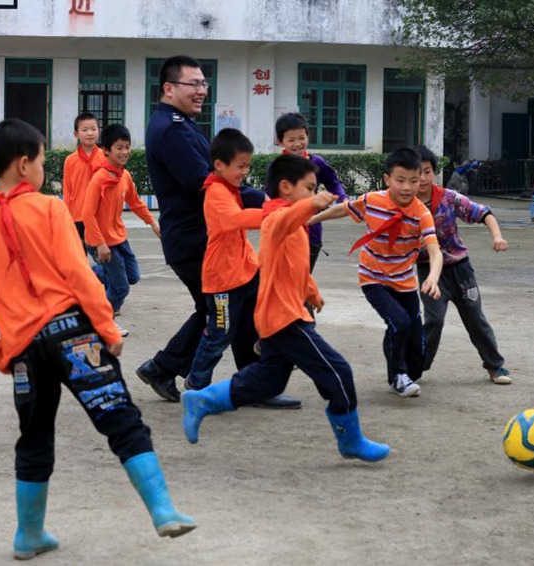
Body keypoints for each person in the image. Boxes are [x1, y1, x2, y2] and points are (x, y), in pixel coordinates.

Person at [0, 118, 195, 560]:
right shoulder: (49, 209)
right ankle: (162, 509)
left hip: (25, 350)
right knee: (121, 420)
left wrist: (0, 355)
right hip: (74, 335)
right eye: (43, 158)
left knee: (33, 438)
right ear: (24, 163)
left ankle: (28, 535)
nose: (44, 167)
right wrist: (106, 327)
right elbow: (79, 273)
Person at [182, 154, 389, 461]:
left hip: (285, 315)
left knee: (268, 381)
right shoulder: (276, 219)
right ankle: (351, 440)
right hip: (284, 318)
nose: (313, 193)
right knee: (338, 371)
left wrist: (311, 290)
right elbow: (283, 220)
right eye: (309, 187)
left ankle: (203, 401)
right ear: (286, 188)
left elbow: (293, 266)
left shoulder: (294, 224)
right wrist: (312, 204)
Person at [137, 55, 298, 408]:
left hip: (206, 238)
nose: (201, 91)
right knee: (228, 308)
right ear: (168, 88)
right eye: (193, 84)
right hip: (196, 240)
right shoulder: (170, 130)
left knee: (227, 307)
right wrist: (272, 203)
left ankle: (168, 368)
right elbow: (209, 183)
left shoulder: (182, 124)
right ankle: (192, 375)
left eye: (203, 84)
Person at [310, 147, 442, 398]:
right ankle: (397, 377)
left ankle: (408, 371)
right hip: (374, 278)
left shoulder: (421, 213)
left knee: (416, 341)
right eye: (400, 180)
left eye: (414, 181)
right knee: (399, 323)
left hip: (404, 282)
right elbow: (343, 209)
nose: (407, 187)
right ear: (387, 179)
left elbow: (435, 250)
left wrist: (433, 277)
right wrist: (309, 220)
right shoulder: (373, 200)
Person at [413, 146, 512, 385]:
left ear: (434, 173)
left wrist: (497, 236)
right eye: (417, 173)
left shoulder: (448, 197)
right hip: (429, 273)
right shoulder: (405, 205)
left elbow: (483, 212)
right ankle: (415, 368)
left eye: (427, 171)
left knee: (475, 319)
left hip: (460, 270)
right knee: (433, 320)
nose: (423, 178)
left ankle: (495, 366)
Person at [184, 128, 265, 392]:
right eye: (241, 166)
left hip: (244, 271)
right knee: (220, 334)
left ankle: (267, 343)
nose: (245, 171)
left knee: (266, 303)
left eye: (247, 166)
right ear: (219, 165)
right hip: (222, 282)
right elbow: (235, 220)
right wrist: (273, 215)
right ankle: (196, 383)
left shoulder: (228, 187)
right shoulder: (216, 192)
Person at [81, 124, 160, 338]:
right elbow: (87, 214)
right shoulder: (99, 179)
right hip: (100, 241)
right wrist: (100, 243)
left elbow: (135, 203)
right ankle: (103, 321)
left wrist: (152, 222)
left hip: (119, 238)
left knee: (132, 276)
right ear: (106, 150)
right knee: (120, 288)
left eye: (127, 147)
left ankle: (86, 277)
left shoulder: (124, 176)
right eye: (119, 148)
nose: (124, 152)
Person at [275, 112, 348, 271]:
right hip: (285, 234)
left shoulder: (316, 163)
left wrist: (343, 200)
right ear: (280, 142)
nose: (298, 144)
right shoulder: (277, 168)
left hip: (312, 233)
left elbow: (334, 184)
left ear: (308, 136)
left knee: (302, 281)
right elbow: (271, 200)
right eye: (291, 140)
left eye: (302, 138)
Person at [62, 112, 103, 250]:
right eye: (84, 130)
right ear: (76, 134)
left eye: (93, 129)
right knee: (79, 258)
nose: (90, 133)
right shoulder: (70, 161)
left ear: (99, 131)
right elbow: (67, 190)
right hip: (77, 216)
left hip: (100, 216)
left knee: (105, 261)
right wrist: (66, 216)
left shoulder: (106, 157)